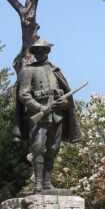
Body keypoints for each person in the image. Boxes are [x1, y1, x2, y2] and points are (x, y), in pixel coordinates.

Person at [13, 38, 82, 192]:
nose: (40, 53)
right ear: (34, 52)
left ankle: (47, 183)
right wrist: (40, 107)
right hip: (38, 116)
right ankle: (37, 183)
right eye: (37, 50)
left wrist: (63, 103)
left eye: (43, 50)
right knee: (37, 147)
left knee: (54, 148)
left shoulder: (55, 70)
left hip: (56, 115)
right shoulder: (28, 71)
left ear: (48, 51)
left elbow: (65, 94)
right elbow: (24, 95)